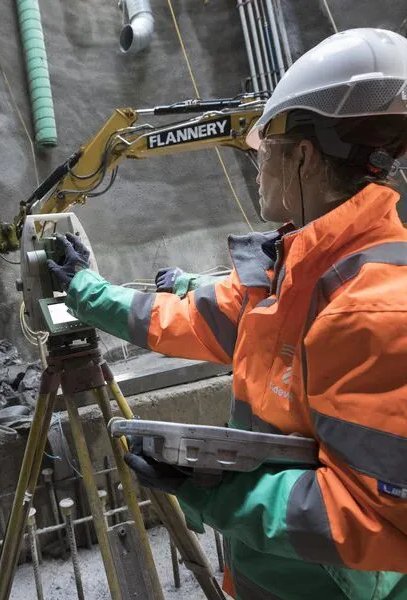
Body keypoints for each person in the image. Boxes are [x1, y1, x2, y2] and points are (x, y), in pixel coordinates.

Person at [47, 28, 407, 600]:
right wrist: (88, 292)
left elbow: (375, 519)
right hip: (271, 577)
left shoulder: (378, 309)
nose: (256, 168)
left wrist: (214, 490)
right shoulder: (294, 272)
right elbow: (187, 319)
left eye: (263, 153)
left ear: (303, 161)